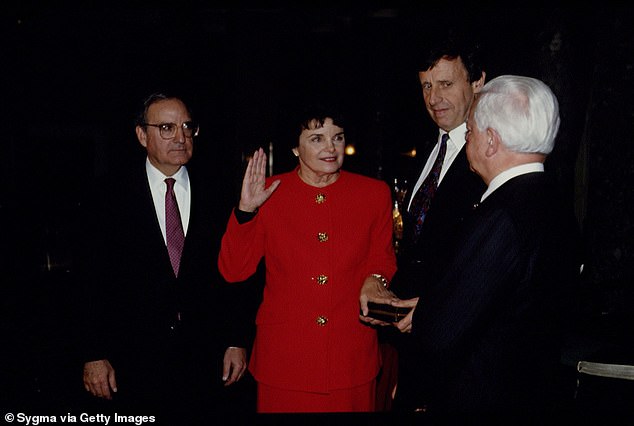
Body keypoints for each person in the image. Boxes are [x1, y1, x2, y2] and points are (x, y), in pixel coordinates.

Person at [363, 75, 583, 413]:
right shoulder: (554, 202)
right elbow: (508, 298)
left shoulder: (501, 216)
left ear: (491, 141)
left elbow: (440, 336)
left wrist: (422, 326)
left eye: (471, 132)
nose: (468, 141)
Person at [77, 93, 251, 421]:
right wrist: (94, 354)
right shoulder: (107, 196)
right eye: (167, 128)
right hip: (132, 359)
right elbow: (89, 280)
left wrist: (236, 338)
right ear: (142, 135)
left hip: (207, 357)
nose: (181, 137)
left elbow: (238, 272)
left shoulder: (221, 192)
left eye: (187, 126)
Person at [217, 103, 397, 413]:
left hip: (351, 361)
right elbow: (234, 270)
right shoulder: (269, 192)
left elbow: (381, 260)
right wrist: (246, 212)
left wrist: (374, 280)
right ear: (295, 148)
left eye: (337, 137)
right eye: (317, 138)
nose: (331, 147)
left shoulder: (374, 194)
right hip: (285, 362)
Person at [370, 35, 489, 411]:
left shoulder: (491, 156)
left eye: (446, 84)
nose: (434, 97)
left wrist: (433, 312)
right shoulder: (423, 149)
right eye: (426, 85)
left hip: (460, 349)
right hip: (411, 343)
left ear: (478, 83)